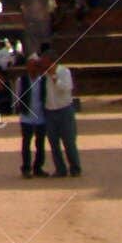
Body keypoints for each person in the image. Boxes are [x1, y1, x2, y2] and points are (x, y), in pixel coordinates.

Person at [42, 49, 82, 178]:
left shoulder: (64, 72)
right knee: (54, 143)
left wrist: (54, 77)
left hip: (64, 109)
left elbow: (66, 88)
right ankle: (60, 169)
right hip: (50, 111)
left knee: (69, 141)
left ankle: (75, 167)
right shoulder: (43, 76)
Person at [15, 57, 47, 177]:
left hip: (41, 116)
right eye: (31, 66)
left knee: (40, 144)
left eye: (36, 66)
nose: (33, 69)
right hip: (26, 116)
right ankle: (26, 168)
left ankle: (38, 167)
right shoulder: (21, 80)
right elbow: (18, 96)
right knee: (26, 143)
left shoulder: (43, 80)